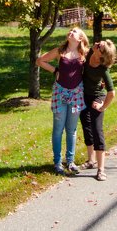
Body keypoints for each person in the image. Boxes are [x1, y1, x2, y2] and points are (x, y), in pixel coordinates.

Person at [37, 27, 89, 175]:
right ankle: (57, 162)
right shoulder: (60, 51)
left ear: (79, 38)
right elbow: (40, 61)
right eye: (70, 31)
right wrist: (55, 71)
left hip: (76, 95)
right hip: (60, 94)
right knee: (58, 130)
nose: (71, 32)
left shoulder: (83, 53)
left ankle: (70, 162)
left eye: (74, 32)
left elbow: (93, 69)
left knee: (71, 130)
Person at [79, 39, 116, 181]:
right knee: (86, 127)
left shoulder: (103, 69)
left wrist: (102, 106)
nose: (97, 44)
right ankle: (91, 161)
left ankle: (101, 170)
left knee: (97, 130)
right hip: (84, 96)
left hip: (97, 98)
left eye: (100, 46)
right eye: (99, 43)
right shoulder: (89, 54)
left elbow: (111, 92)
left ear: (102, 54)